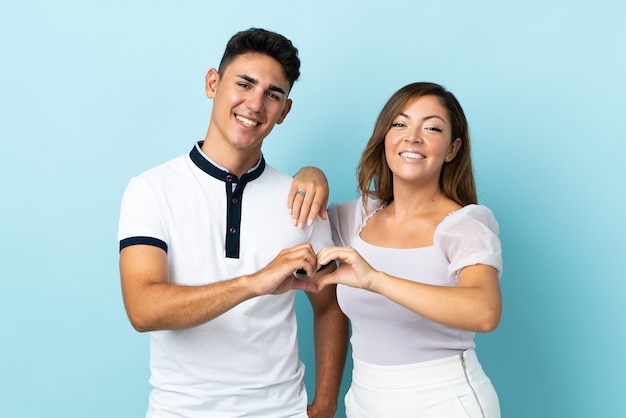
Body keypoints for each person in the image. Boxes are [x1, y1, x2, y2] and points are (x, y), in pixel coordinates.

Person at [118, 28, 348, 418]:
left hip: (283, 410)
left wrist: (324, 404)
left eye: (273, 94)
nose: (255, 104)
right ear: (213, 83)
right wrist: (255, 282)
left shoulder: (301, 198)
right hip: (180, 410)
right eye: (244, 84)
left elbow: (330, 305)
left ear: (284, 111)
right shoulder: (151, 190)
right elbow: (144, 309)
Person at [293, 82, 502, 417]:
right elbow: (296, 224)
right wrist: (310, 174)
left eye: (432, 128)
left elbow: (485, 311)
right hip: (365, 400)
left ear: (452, 148)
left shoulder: (463, 225)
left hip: (445, 401)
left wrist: (375, 279)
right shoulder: (356, 218)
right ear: (385, 137)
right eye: (400, 124)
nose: (413, 137)